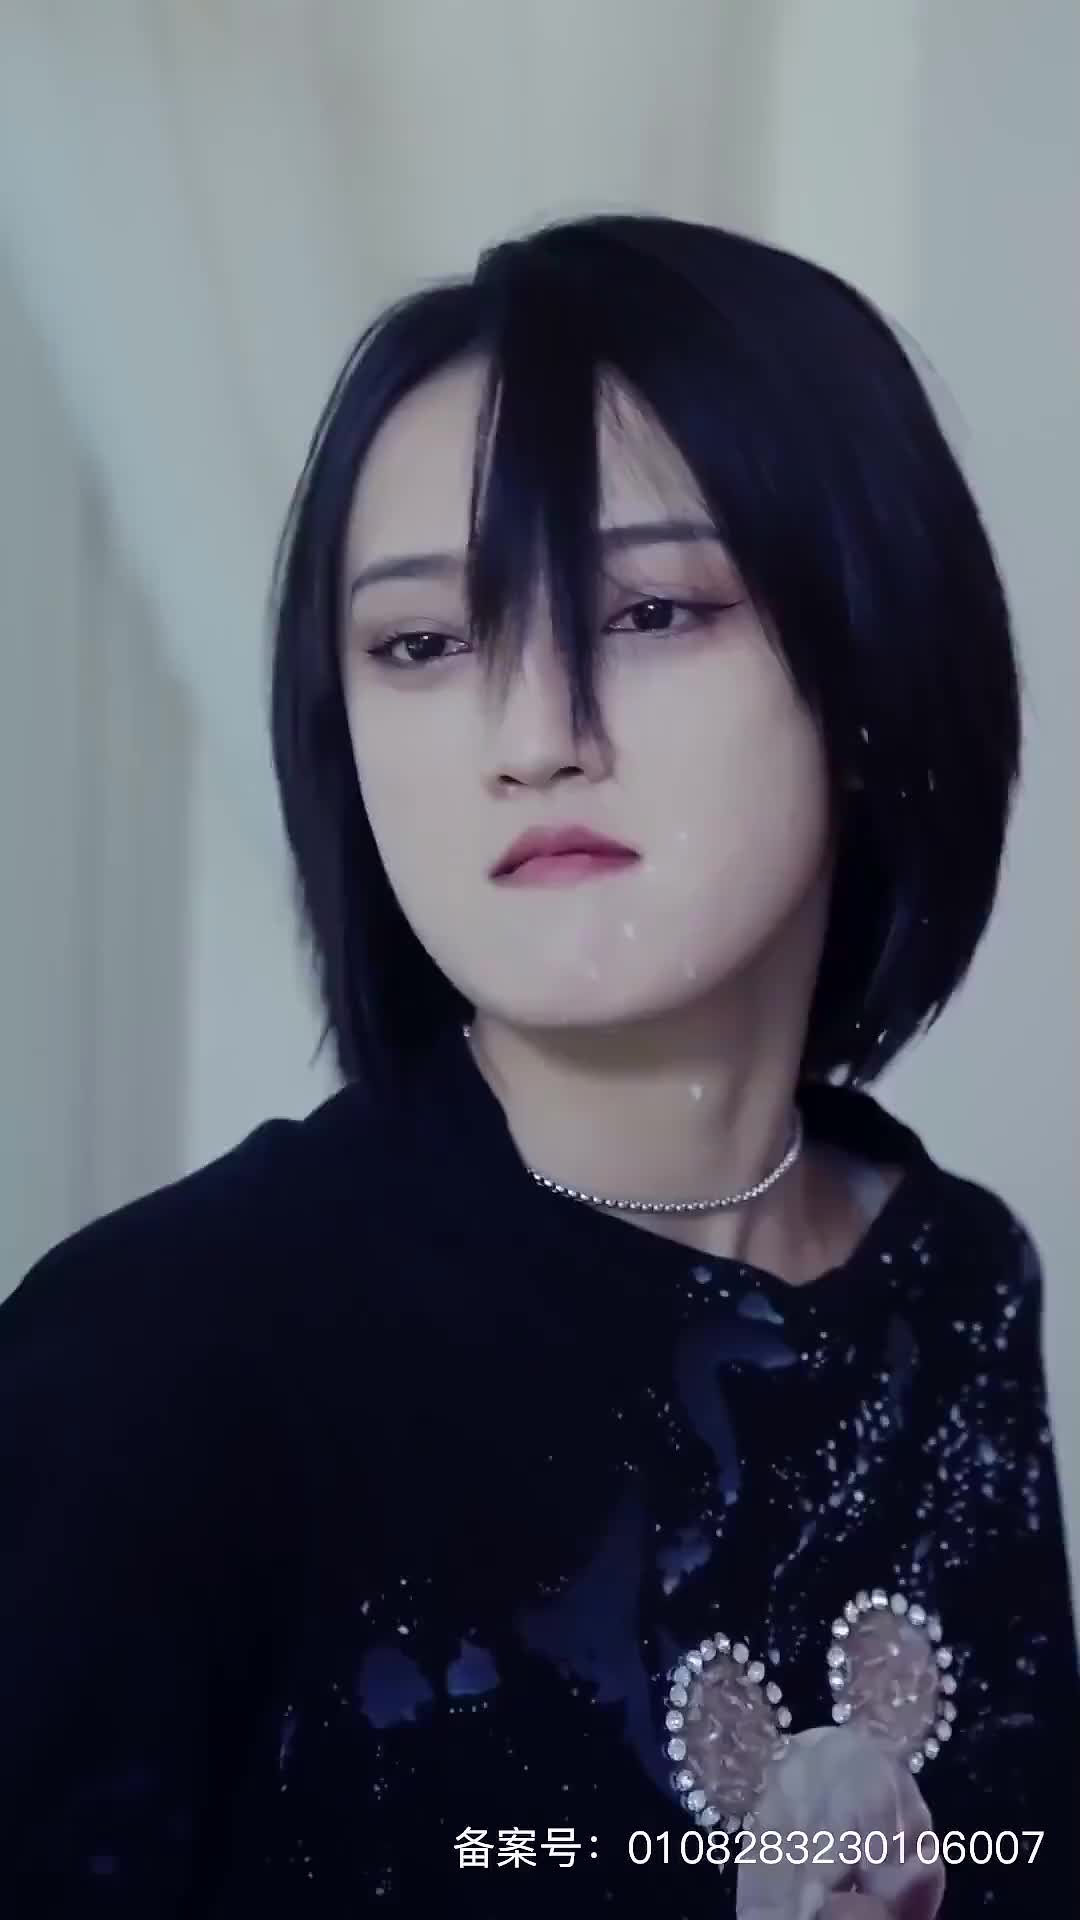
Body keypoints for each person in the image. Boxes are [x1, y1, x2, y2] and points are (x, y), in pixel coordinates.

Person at [0, 213, 1076, 1919]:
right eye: (424, 644)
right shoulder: (153, 1363)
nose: (532, 736)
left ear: (872, 664)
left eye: (649, 610)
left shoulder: (952, 1283)